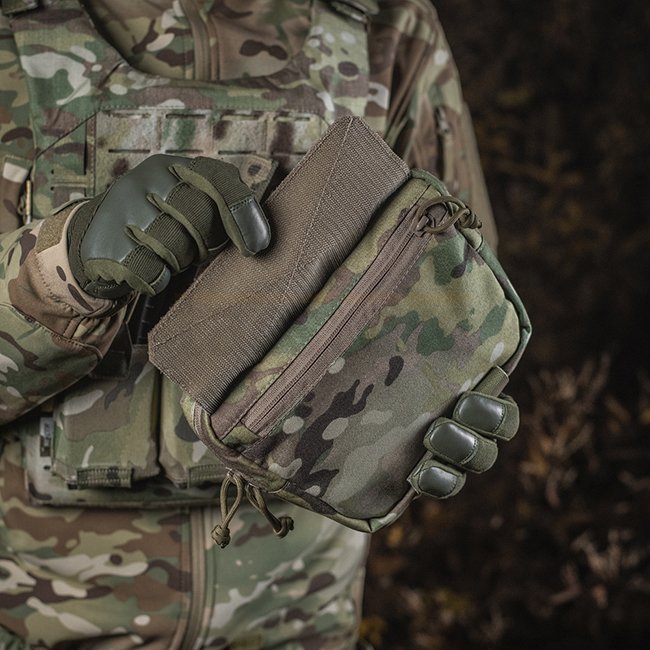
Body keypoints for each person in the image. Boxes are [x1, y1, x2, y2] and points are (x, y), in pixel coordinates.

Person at [0, 1, 519, 648]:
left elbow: (460, 280)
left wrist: (440, 384)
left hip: (302, 624)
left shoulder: (387, 26)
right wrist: (59, 270)